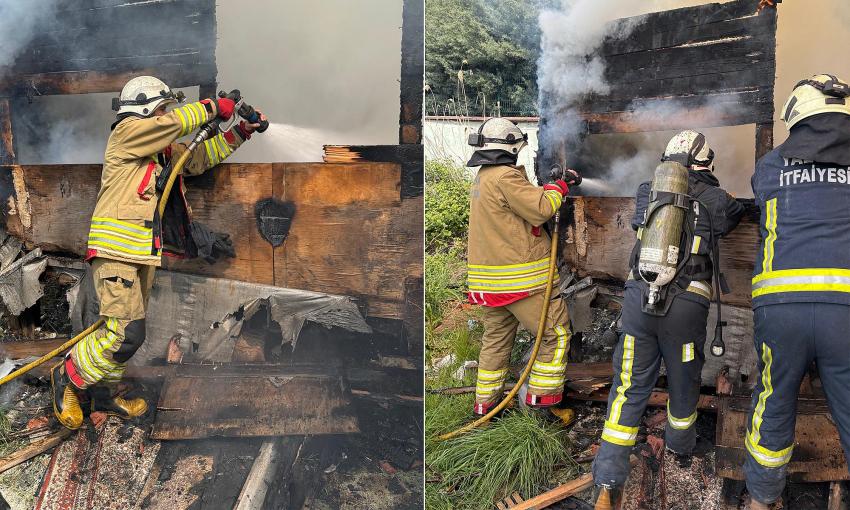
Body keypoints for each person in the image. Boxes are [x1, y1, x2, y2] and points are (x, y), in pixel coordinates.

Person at [51, 76, 265, 429]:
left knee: (120, 331)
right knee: (126, 334)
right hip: (117, 252)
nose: (167, 114)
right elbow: (170, 124)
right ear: (146, 109)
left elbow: (198, 158)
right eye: (162, 108)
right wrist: (213, 108)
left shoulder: (161, 151)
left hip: (141, 254)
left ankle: (105, 396)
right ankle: (67, 376)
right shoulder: (126, 135)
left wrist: (241, 131)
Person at [592, 130, 744, 509]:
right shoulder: (715, 199)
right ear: (705, 164)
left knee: (628, 386)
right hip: (685, 309)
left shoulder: (647, 191)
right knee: (683, 378)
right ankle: (681, 447)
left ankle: (609, 476)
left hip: (638, 302)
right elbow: (733, 214)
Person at [744, 74, 850, 510]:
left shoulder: (770, 165)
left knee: (774, 400)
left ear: (797, 116)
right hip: (845, 311)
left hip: (780, 309)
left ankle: (763, 499)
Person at [466, 117, 576, 421]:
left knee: (496, 340)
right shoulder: (505, 177)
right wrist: (560, 187)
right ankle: (542, 408)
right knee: (555, 335)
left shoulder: (483, 178)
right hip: (521, 284)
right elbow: (541, 208)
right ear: (512, 146)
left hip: (490, 285)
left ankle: (485, 408)